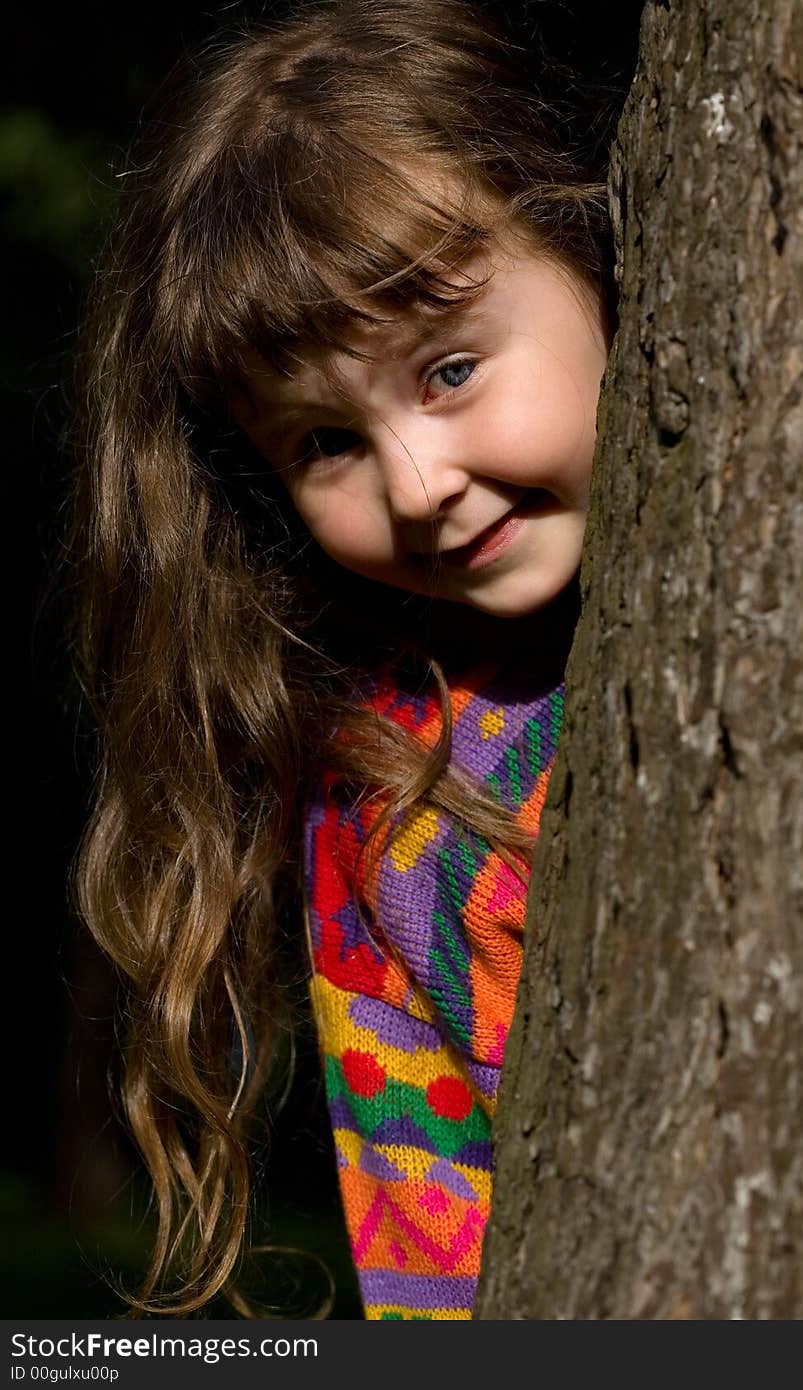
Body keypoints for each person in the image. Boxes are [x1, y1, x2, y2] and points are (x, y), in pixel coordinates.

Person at [69, 0, 619, 1320]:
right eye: (325, 443)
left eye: (451, 367)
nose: (418, 483)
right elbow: (438, 1260)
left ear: (592, 241)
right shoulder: (389, 808)